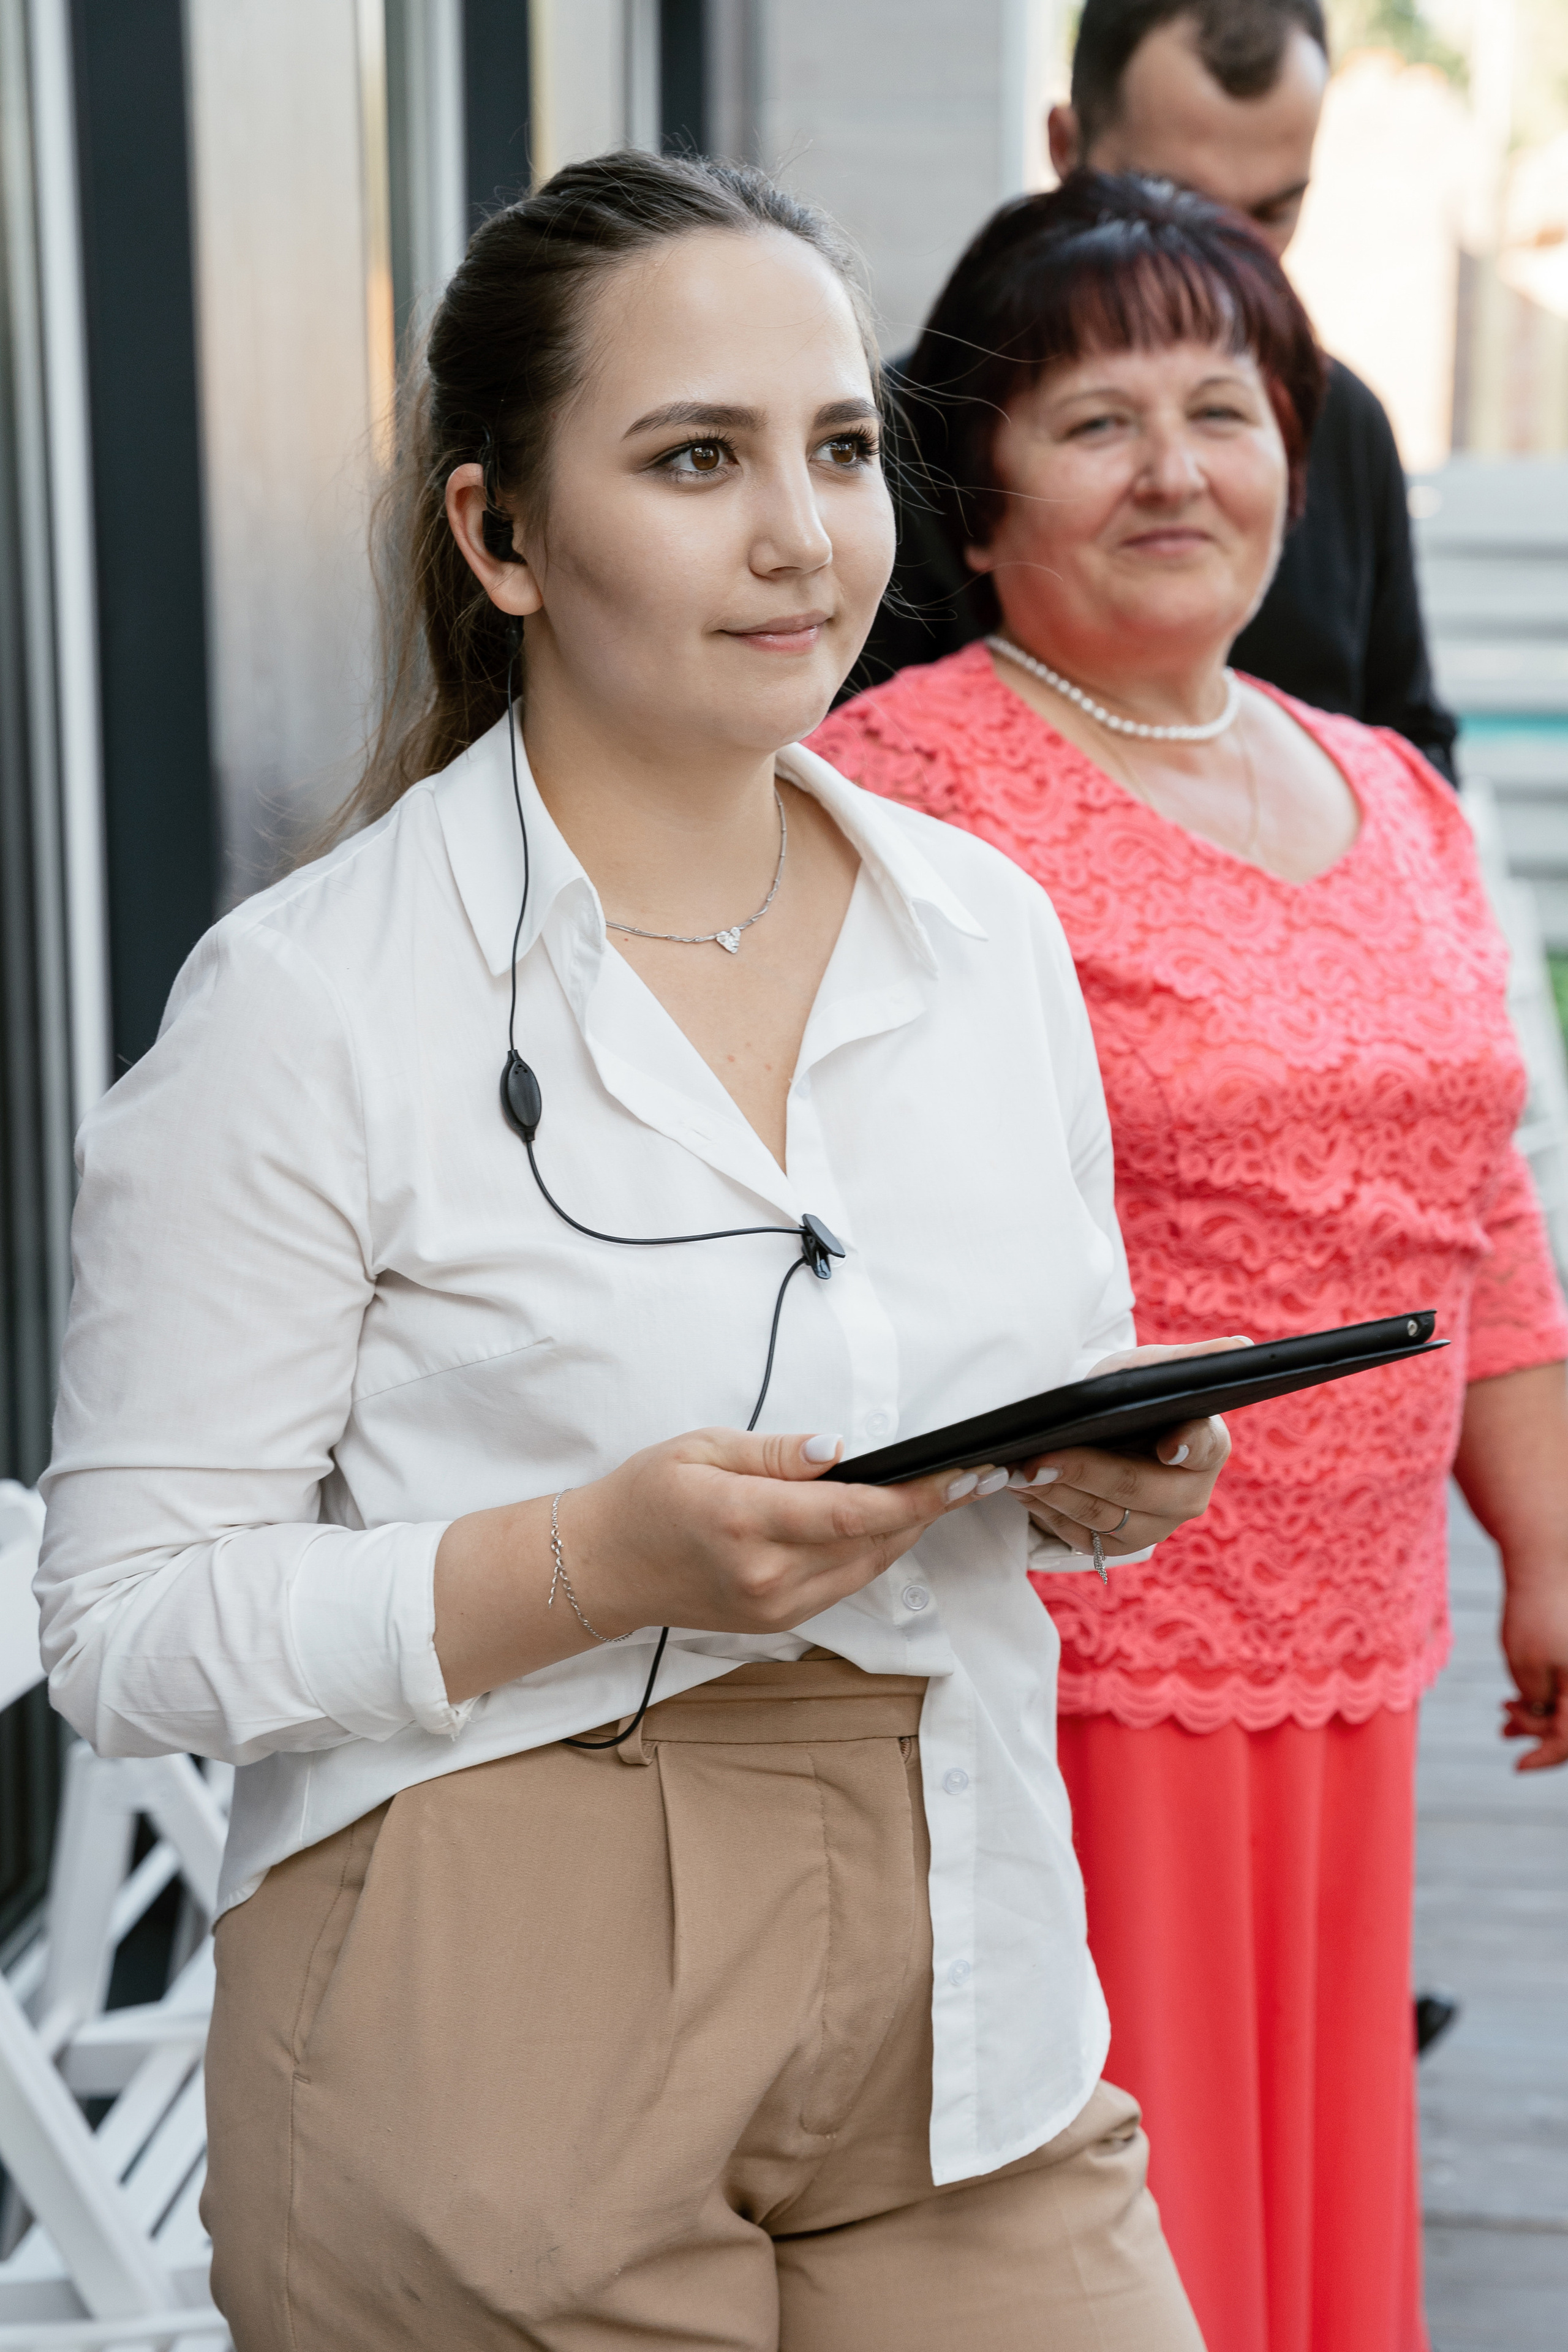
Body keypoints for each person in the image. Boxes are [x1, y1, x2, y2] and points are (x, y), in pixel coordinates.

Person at [34, 153, 1248, 2351]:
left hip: (965, 1977)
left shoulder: (982, 936)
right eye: (697, 460)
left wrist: (1104, 1476)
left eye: (839, 448)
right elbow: (122, 1634)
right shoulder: (306, 1005)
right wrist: (590, 1559)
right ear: (498, 533)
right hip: (486, 1976)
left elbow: (1058, 1372)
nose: (801, 535)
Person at [812, 172, 1568, 2352]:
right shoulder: (903, 792)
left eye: (1221, 411)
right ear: (967, 506)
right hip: (1063, 1650)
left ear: (1291, 469)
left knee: (1298, 2174)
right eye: (1095, 421)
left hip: (1352, 1658)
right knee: (1115, 2209)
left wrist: (1539, 1547)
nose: (1173, 469)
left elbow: (1476, 1197)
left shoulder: (1386, 794)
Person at [858, 0, 1458, 782]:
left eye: (1273, 212)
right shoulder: (902, 430)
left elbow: (1409, 745)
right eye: (1175, 207)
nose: (1229, 265)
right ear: (1064, 149)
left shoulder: (1344, 421)